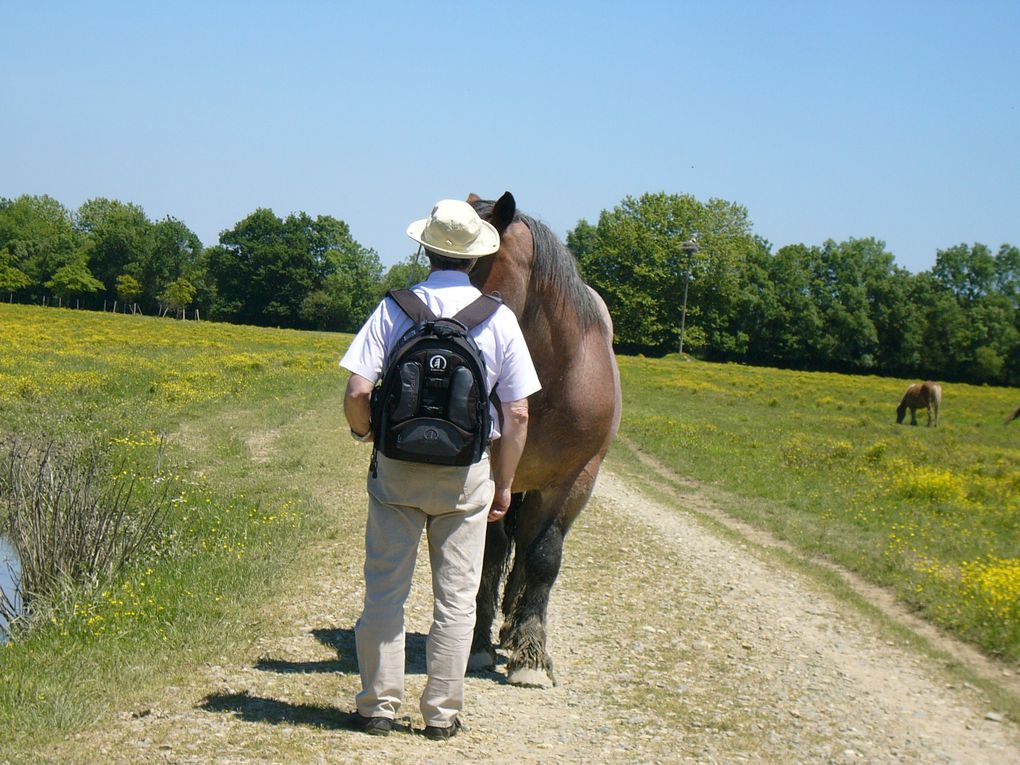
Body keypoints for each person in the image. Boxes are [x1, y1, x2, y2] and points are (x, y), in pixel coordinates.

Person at [339, 199, 541, 740]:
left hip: (397, 471)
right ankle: (441, 716)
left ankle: (377, 708)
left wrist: (368, 434)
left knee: (385, 592)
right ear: (475, 258)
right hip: (466, 475)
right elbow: (518, 411)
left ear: (425, 248)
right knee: (455, 600)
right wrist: (505, 483)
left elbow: (358, 390)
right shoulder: (498, 318)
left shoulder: (395, 309)